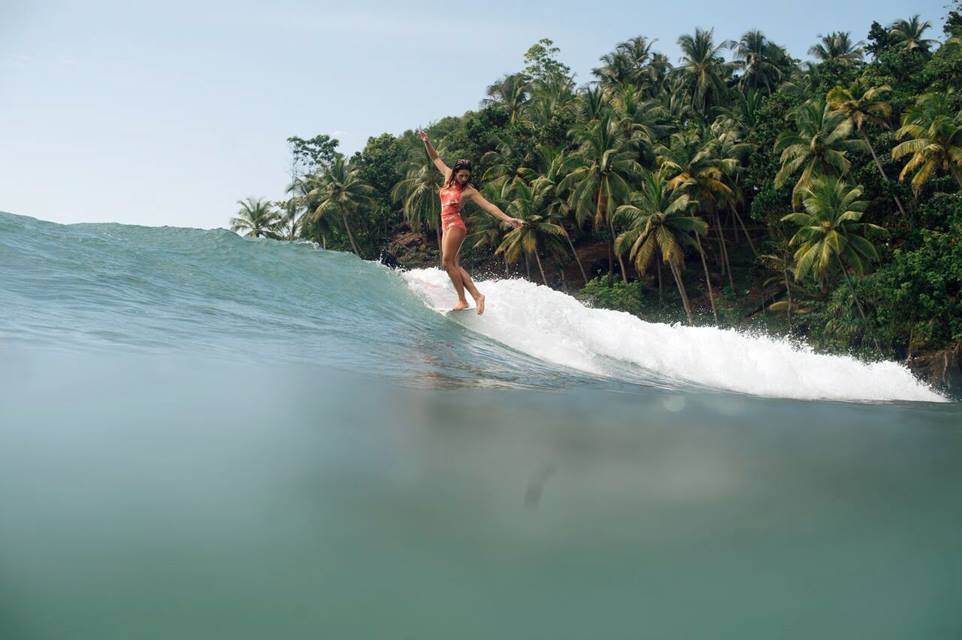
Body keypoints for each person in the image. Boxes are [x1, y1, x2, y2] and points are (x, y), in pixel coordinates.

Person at [417, 128, 523, 314]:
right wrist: (427, 141)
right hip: (445, 225)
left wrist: (508, 219)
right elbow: (435, 158)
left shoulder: (469, 191)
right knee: (452, 265)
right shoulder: (447, 175)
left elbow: (489, 206)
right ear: (455, 173)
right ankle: (476, 297)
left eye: (467, 176)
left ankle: (464, 300)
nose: (464, 178)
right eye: (462, 175)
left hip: (456, 225)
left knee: (447, 263)